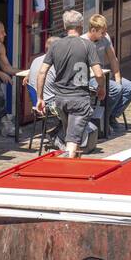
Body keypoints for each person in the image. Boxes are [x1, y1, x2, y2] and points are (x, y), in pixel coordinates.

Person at [35, 10, 106, 159]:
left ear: (65, 26)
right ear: (81, 26)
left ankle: (74, 167)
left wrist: (40, 97)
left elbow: (42, 72)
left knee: (72, 136)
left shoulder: (55, 46)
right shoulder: (87, 45)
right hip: (79, 99)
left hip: (60, 99)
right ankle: (65, 167)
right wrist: (101, 88)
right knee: (73, 142)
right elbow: (99, 74)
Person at [87, 15, 131, 131]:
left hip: (104, 75)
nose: (105, 35)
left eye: (105, 32)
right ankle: (103, 118)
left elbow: (113, 58)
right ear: (93, 30)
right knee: (116, 89)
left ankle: (110, 116)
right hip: (91, 77)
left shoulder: (105, 38)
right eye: (102, 32)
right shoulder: (84, 41)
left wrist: (117, 76)